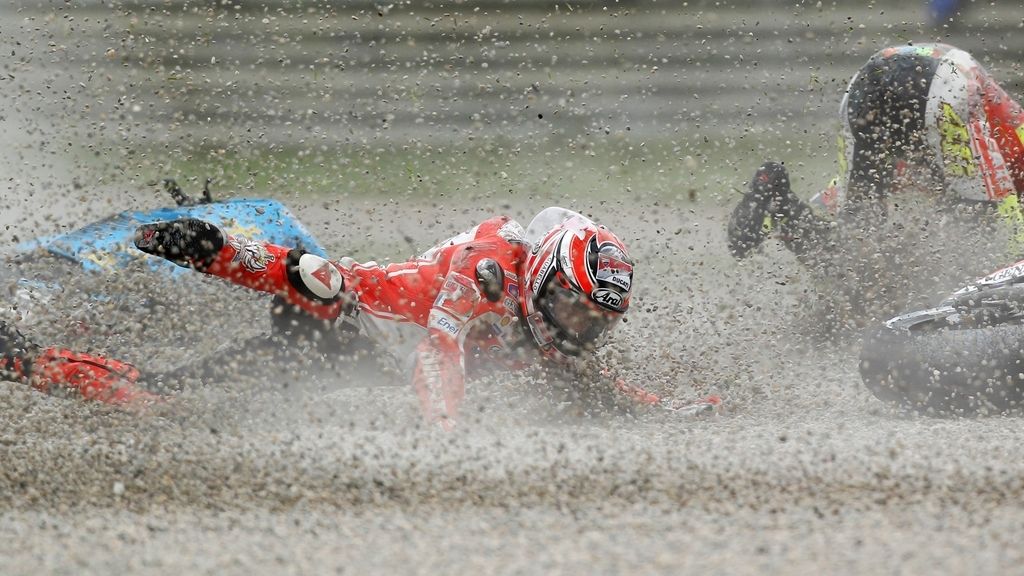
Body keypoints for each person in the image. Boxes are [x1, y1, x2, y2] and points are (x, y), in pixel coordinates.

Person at [0, 207, 713, 427]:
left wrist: (665, 410)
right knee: (164, 405)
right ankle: (19, 355)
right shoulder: (493, 263)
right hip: (341, 324)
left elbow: (590, 384)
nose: (575, 328)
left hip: (366, 363)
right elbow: (442, 351)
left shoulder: (554, 322)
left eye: (592, 321)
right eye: (570, 308)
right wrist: (448, 439)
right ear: (542, 276)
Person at [728, 43, 1024, 264]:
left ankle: (778, 201)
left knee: (856, 236)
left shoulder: (919, 159)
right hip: (946, 82)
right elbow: (1005, 229)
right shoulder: (1006, 149)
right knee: (976, 221)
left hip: (868, 81)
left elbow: (837, 203)